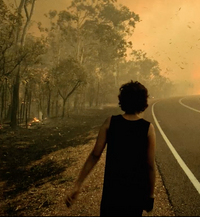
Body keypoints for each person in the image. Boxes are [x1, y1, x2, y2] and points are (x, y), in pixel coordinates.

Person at [65, 80, 156, 216]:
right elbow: (150, 166)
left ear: (122, 100)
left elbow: (95, 155)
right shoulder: (148, 128)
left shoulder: (110, 122)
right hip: (135, 193)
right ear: (143, 102)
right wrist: (151, 195)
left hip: (112, 192)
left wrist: (78, 184)